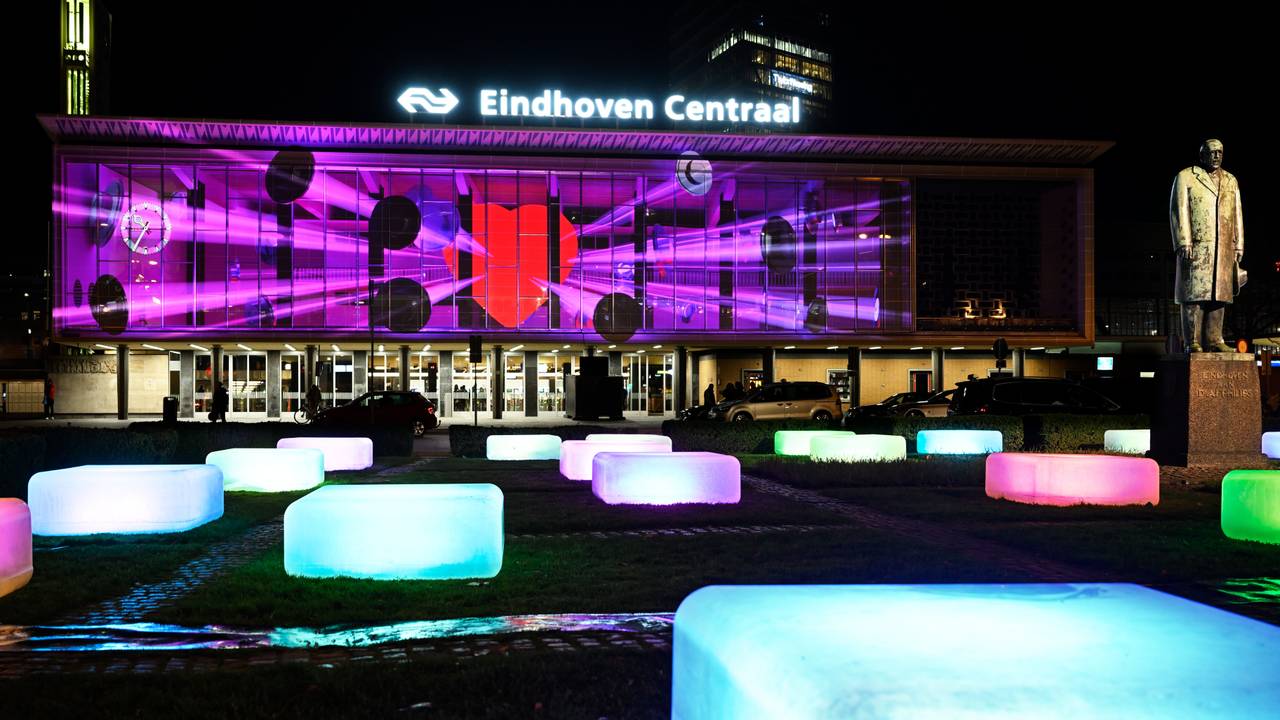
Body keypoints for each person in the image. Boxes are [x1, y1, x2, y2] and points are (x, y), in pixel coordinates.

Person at [1170, 139, 1245, 352]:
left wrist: (1238, 244)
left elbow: (1237, 213)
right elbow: (1178, 210)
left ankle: (1215, 339)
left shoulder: (1231, 180)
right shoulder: (1186, 176)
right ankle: (1191, 341)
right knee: (1194, 296)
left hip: (1223, 248)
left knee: (1219, 295)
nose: (1216, 156)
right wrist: (1184, 240)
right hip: (1196, 247)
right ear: (1202, 155)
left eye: (1220, 152)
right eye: (1211, 153)